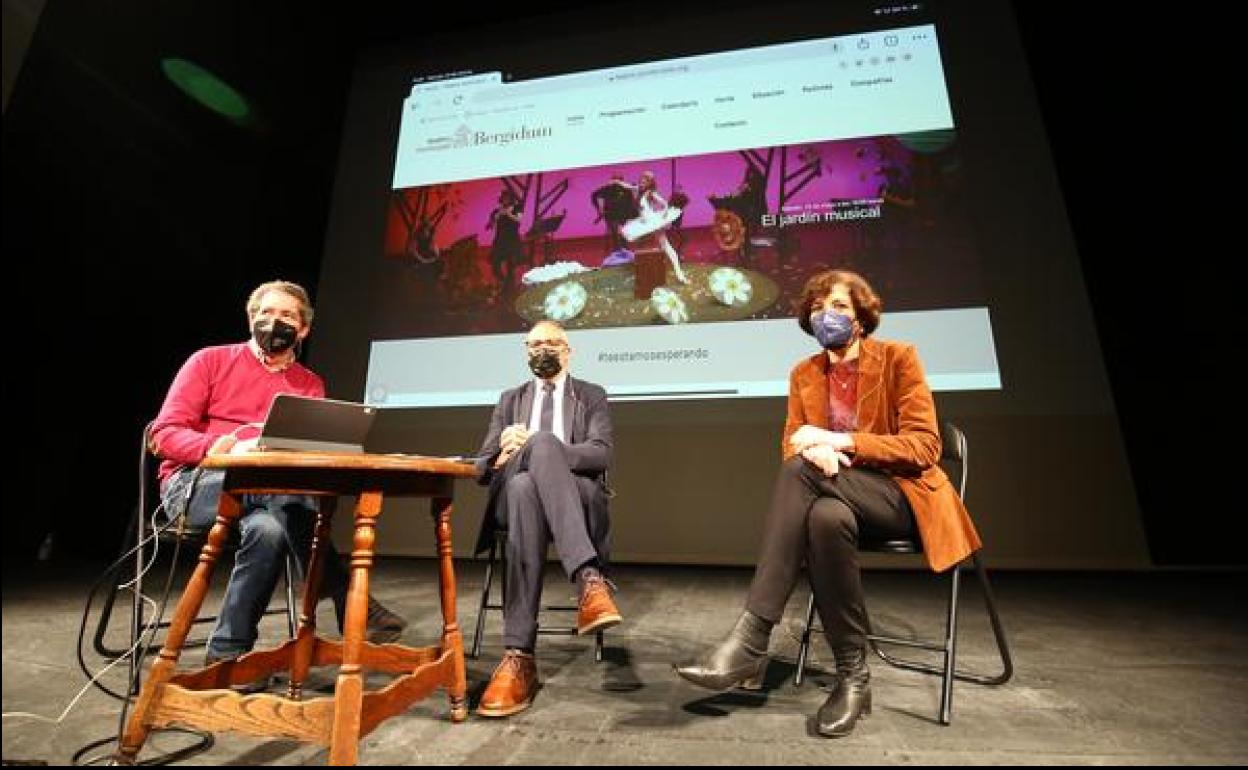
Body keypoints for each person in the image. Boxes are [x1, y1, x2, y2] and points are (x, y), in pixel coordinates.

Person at [673, 269, 982, 737]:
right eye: (817, 308)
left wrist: (841, 443)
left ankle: (752, 638)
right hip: (837, 499)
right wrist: (817, 453)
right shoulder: (804, 374)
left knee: (801, 474)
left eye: (838, 306)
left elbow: (925, 447)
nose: (826, 315)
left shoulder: (899, 358)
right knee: (823, 518)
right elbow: (793, 444)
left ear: (860, 316)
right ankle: (853, 678)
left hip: (902, 498)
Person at [149, 280, 408, 690]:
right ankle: (344, 594)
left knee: (270, 529)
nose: (275, 322)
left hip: (268, 498)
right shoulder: (210, 361)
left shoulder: (309, 384)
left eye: (287, 315)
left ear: (302, 329)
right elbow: (163, 434)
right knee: (282, 490)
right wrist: (220, 447)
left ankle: (228, 655)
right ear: (252, 319)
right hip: (196, 484)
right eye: (266, 313)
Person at [472, 320, 620, 717]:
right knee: (520, 484)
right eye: (535, 344)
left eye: (552, 343)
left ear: (568, 351)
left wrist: (545, 449)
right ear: (526, 350)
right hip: (512, 494)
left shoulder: (590, 394)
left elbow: (601, 453)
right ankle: (588, 580)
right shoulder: (509, 399)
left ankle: (518, 655)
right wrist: (504, 453)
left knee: (528, 480)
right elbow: (481, 468)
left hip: (576, 496)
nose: (543, 350)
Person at [620, 170, 689, 284]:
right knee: (642, 245)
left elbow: (664, 204)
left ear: (649, 183)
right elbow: (627, 186)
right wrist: (616, 182)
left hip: (653, 222)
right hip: (644, 223)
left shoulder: (651, 193)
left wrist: (665, 214)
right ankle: (645, 272)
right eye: (641, 181)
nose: (642, 183)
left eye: (645, 182)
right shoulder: (638, 190)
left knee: (666, 246)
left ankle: (679, 274)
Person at [589, 174, 639, 255]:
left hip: (625, 215)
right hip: (611, 215)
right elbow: (595, 195)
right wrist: (600, 209)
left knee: (623, 233)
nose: (616, 184)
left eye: (618, 181)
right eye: (614, 181)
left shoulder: (626, 188)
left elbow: (635, 191)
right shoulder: (607, 188)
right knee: (615, 232)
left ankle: (625, 250)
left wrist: (621, 184)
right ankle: (617, 251)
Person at [487, 188, 524, 292]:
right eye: (503, 198)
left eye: (507, 197)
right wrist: (495, 218)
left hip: (512, 241)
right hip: (500, 241)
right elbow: (491, 226)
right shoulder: (497, 211)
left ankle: (510, 287)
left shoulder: (517, 208)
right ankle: (502, 282)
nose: (505, 200)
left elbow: (519, 220)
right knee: (495, 263)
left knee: (511, 266)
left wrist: (508, 213)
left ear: (511, 199)